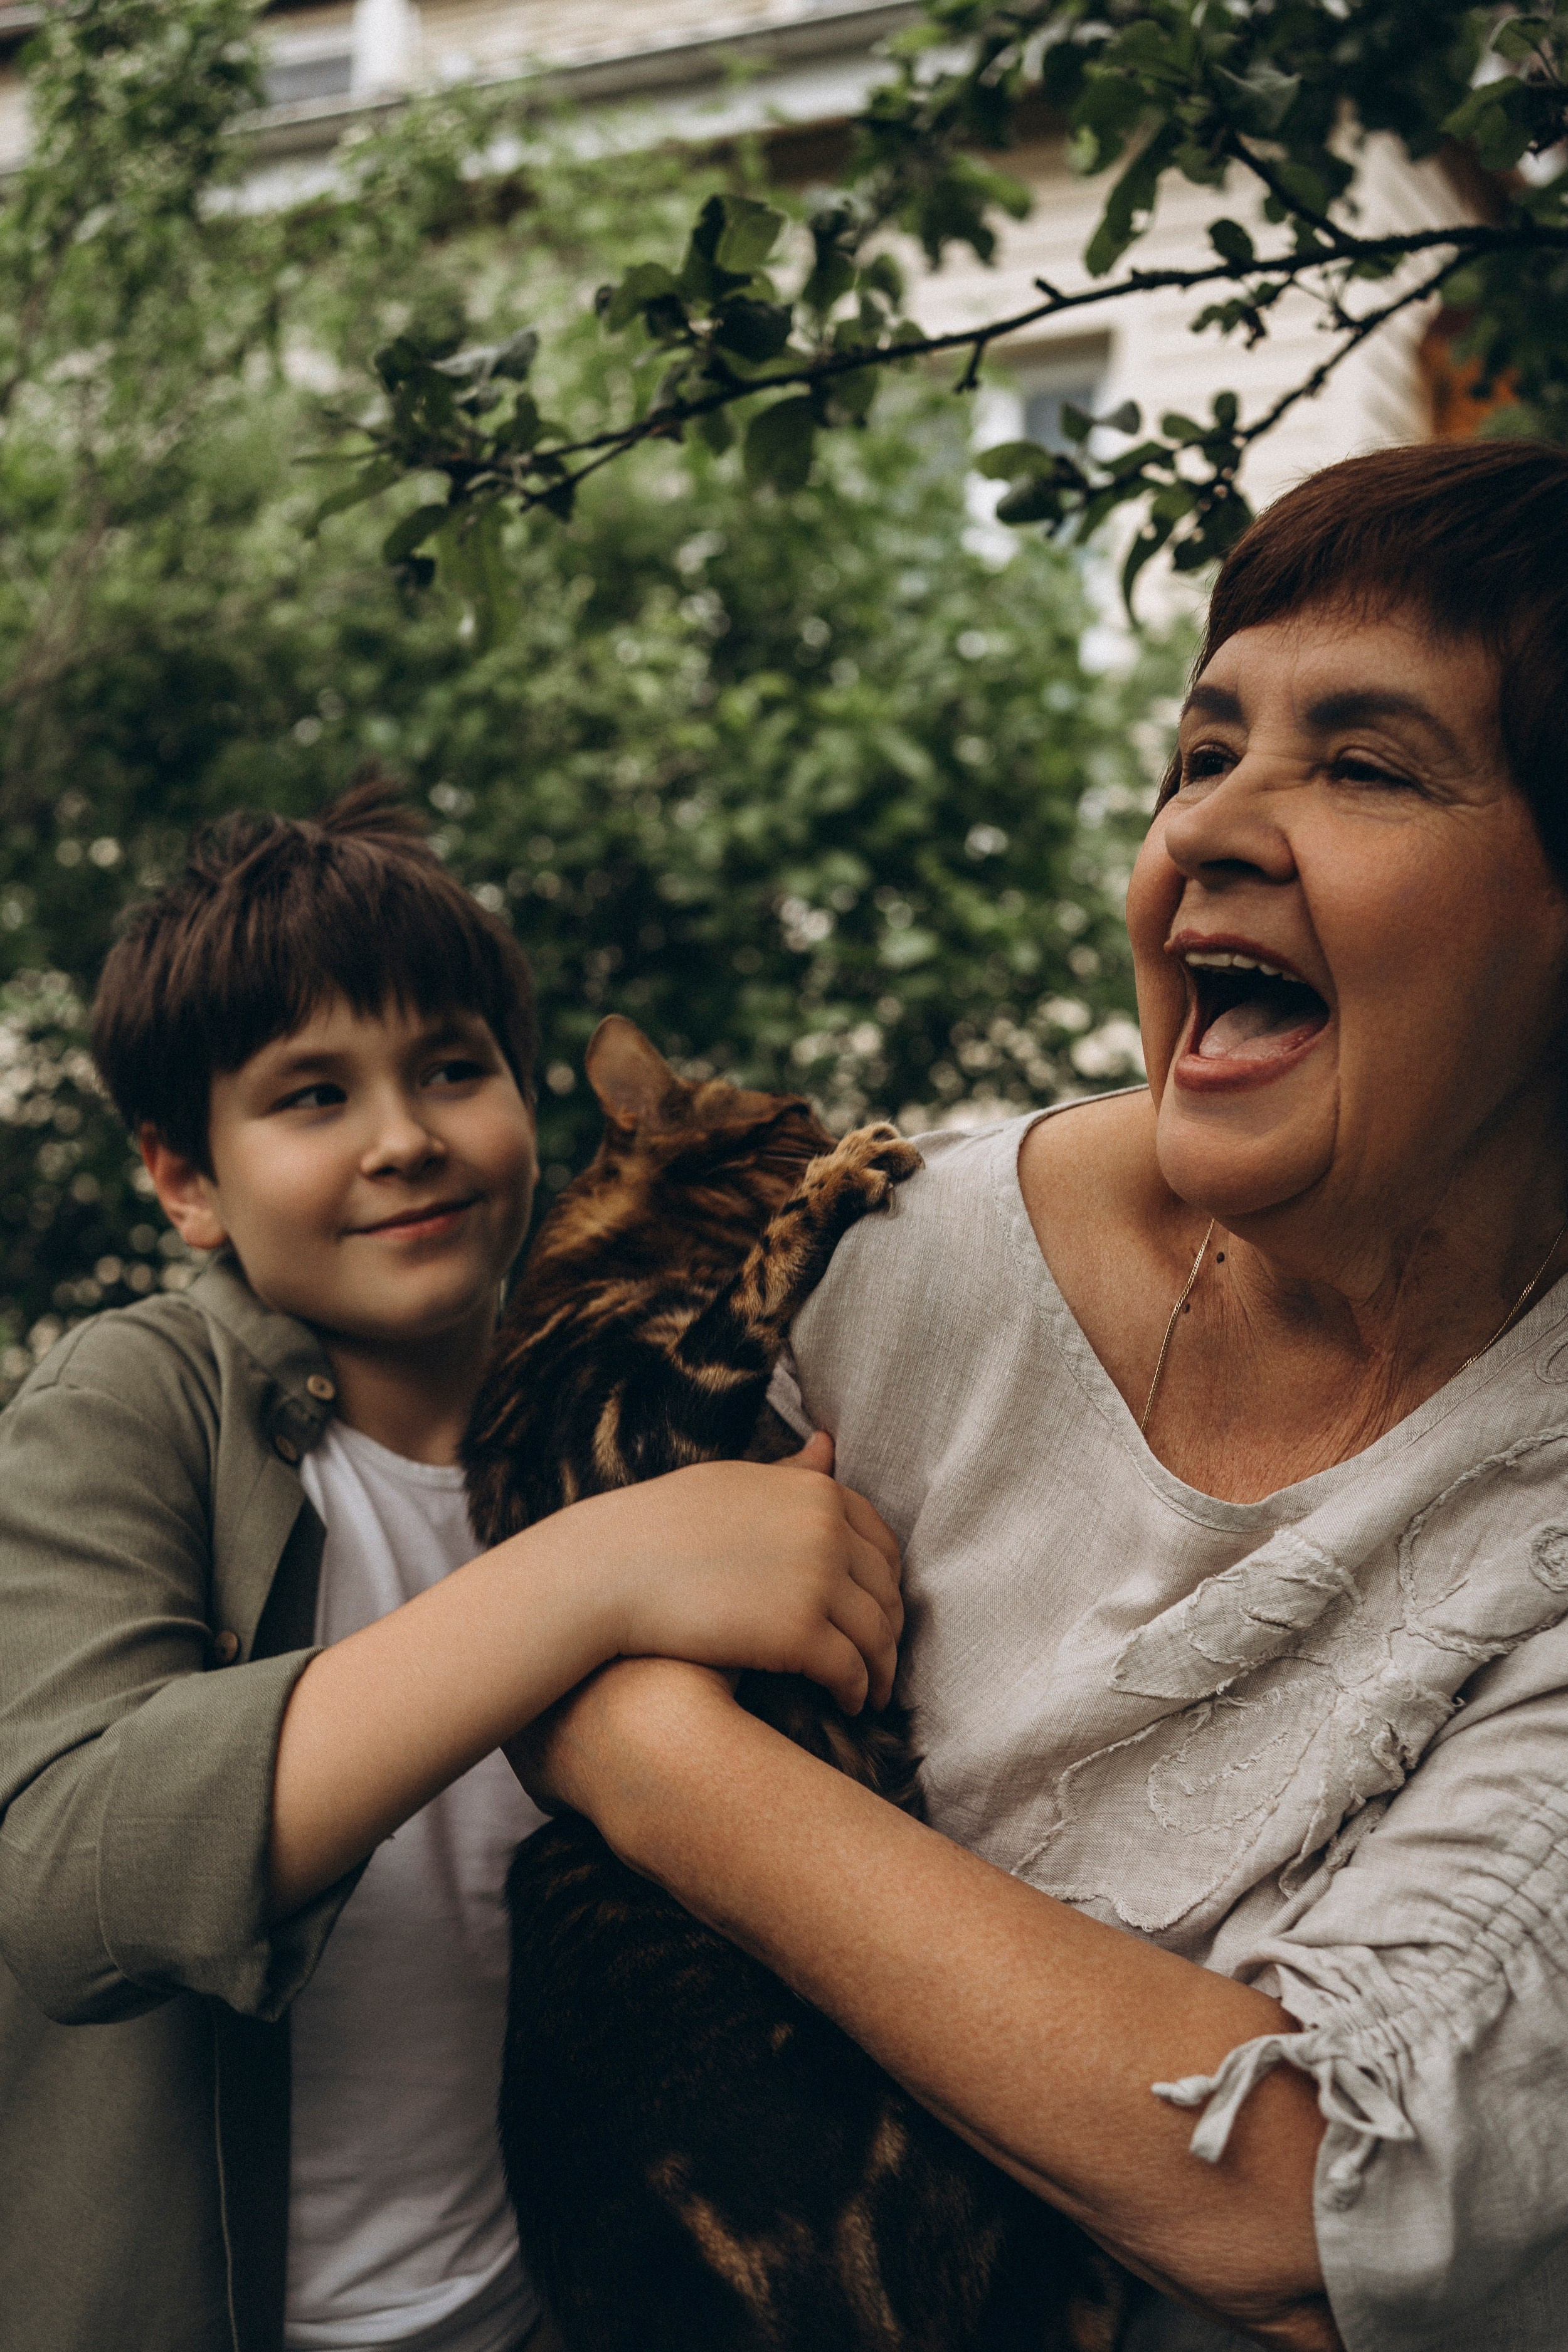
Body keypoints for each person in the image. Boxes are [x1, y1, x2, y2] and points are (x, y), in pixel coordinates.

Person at [509, 438, 1568, 2352]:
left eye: (1361, 763)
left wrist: (644, 1748)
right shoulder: (883, 1269)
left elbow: (1322, 2193)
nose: (1214, 824)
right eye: (1201, 751)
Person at [0, 786, 904, 2352]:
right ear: (184, 1180)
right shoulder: (133, 1404)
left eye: (452, 1070)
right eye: (311, 1096)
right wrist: (595, 1575)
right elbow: (74, 1882)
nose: (406, 1138)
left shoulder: (652, 1421)